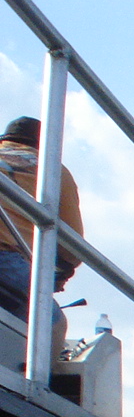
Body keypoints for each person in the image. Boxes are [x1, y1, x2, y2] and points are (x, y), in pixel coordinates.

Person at [0, 117, 82, 366]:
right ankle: (34, 388)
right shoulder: (52, 169)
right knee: (52, 323)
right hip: (6, 257)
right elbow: (72, 248)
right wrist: (57, 272)